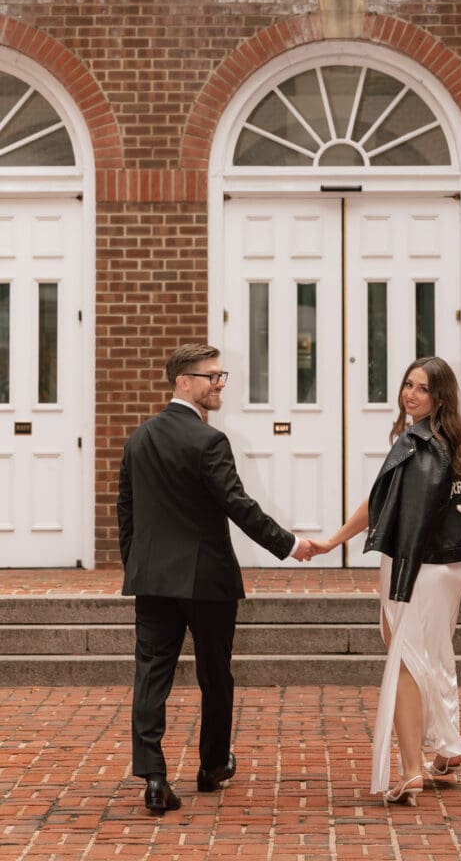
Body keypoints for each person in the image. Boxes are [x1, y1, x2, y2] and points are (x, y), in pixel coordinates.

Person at [117, 343, 313, 815]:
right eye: (212, 376)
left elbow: (126, 512)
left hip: (153, 580)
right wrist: (288, 544)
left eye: (221, 375)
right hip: (208, 580)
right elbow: (237, 505)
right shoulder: (208, 441)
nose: (219, 384)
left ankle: (154, 776)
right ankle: (211, 766)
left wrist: (136, 564)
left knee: (151, 675)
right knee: (214, 675)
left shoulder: (139, 438)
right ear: (183, 382)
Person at [310, 356, 461, 805]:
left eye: (422, 388)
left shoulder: (417, 442)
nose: (410, 394)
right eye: (407, 384)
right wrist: (334, 541)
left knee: (405, 657)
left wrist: (393, 574)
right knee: (434, 651)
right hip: (450, 566)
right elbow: (398, 502)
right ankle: (446, 749)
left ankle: (409, 770)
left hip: (417, 563)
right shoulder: (454, 441)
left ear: (440, 396)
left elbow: (406, 514)